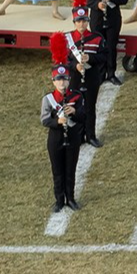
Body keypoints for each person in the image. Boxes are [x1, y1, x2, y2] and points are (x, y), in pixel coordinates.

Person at [42, 39, 84, 213]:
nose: (62, 83)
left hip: (73, 137)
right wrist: (57, 122)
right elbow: (44, 120)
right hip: (56, 138)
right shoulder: (48, 99)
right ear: (53, 81)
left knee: (70, 170)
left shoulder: (77, 96)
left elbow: (84, 116)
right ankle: (59, 200)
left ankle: (71, 198)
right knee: (57, 171)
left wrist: (74, 112)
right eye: (58, 80)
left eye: (65, 79)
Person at [65, 0, 107, 149]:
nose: (81, 24)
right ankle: (78, 135)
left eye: (84, 21)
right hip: (74, 79)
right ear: (74, 22)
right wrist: (75, 65)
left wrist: (90, 58)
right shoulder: (66, 39)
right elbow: (61, 62)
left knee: (90, 106)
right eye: (78, 21)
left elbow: (104, 56)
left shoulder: (96, 38)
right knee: (75, 107)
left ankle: (90, 135)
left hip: (91, 77)